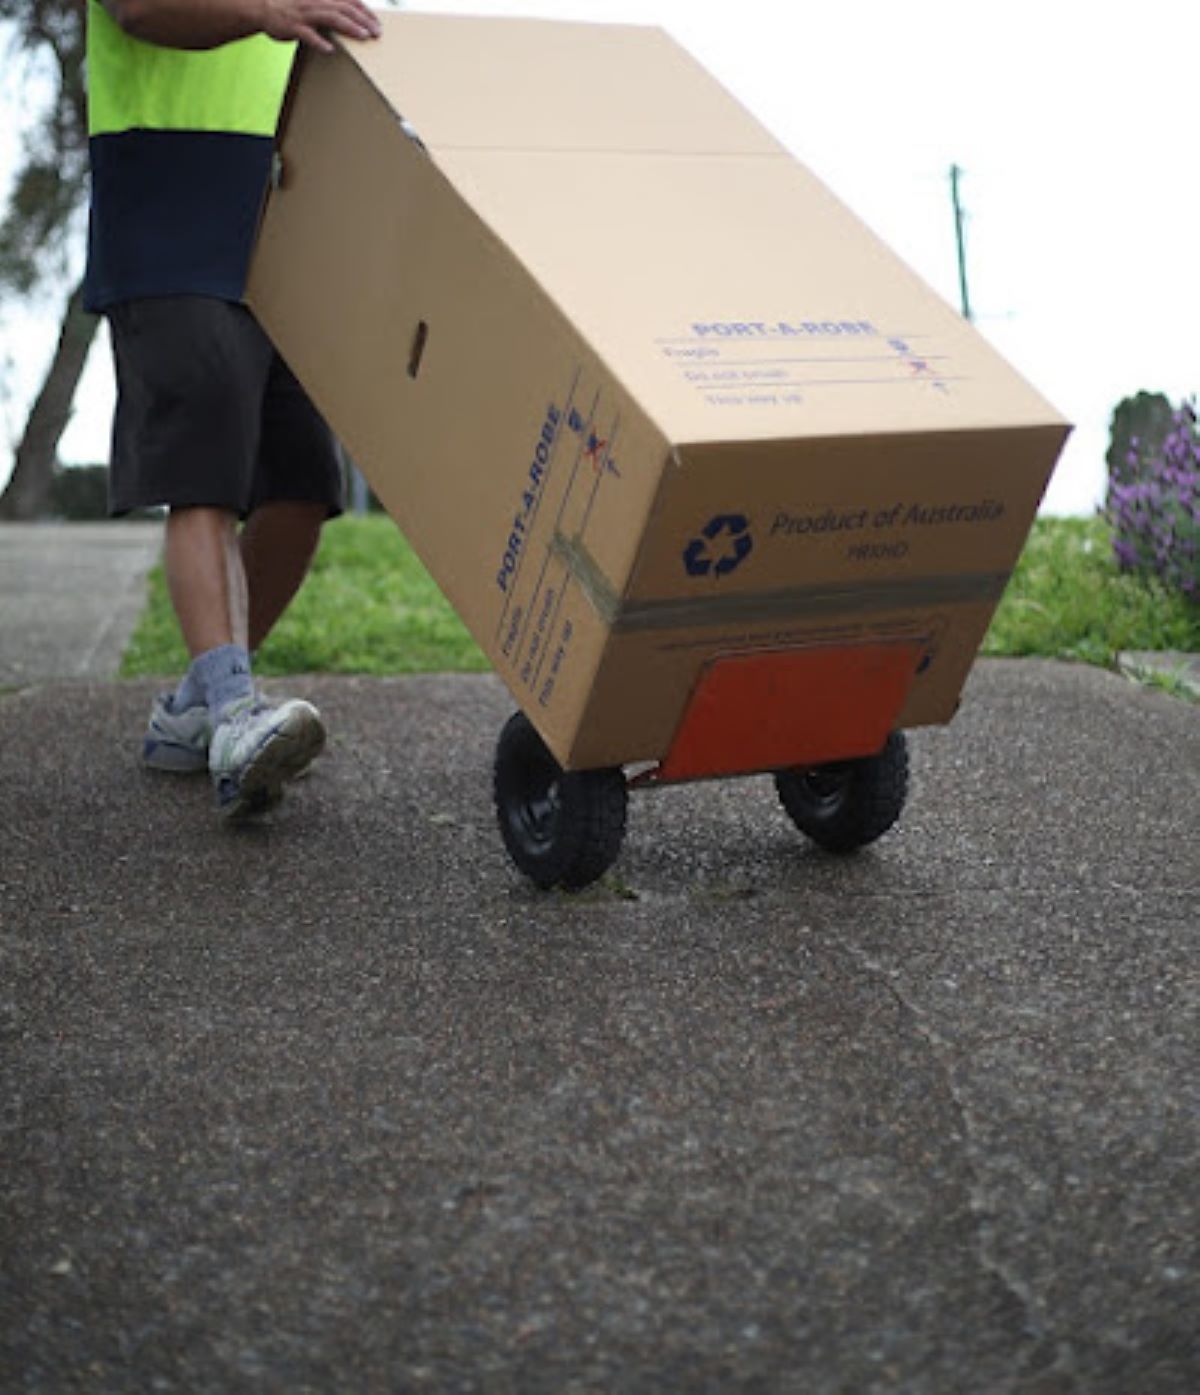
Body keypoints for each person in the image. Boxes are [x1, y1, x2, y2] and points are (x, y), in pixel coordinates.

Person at [84, 0, 382, 818]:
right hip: (163, 214)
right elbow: (141, 10)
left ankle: (193, 711)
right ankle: (232, 714)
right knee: (204, 474)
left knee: (301, 485)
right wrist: (267, 12)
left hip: (273, 220)